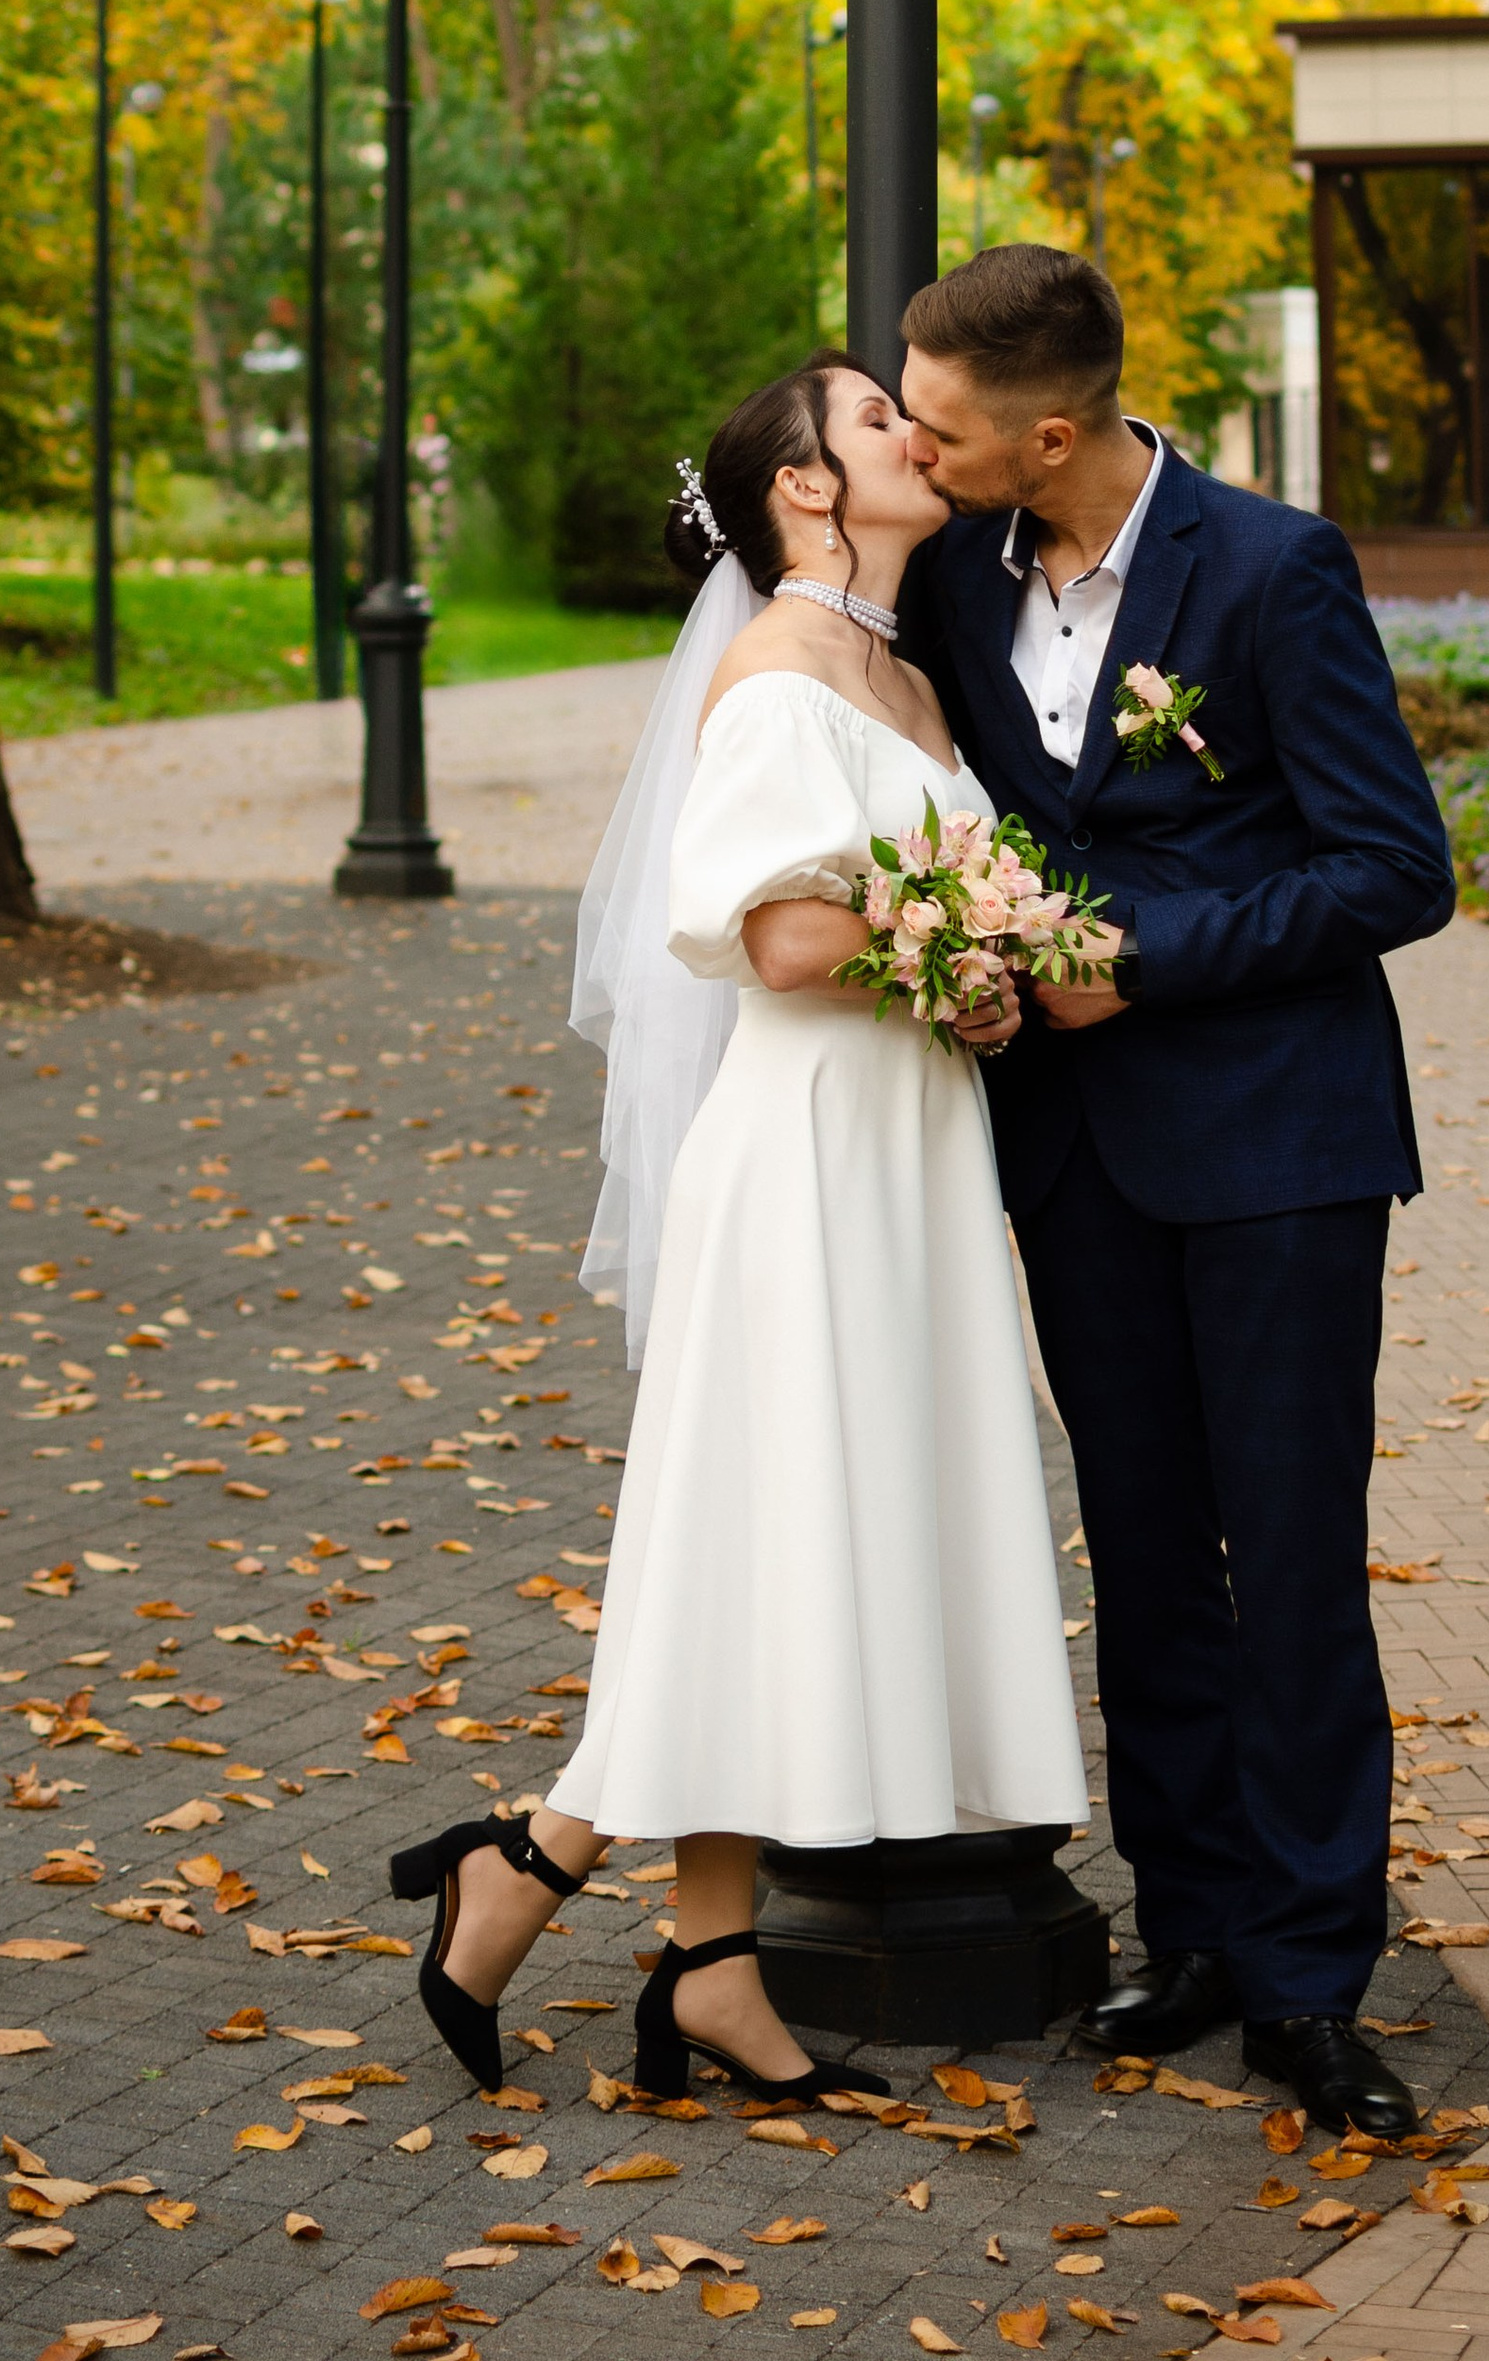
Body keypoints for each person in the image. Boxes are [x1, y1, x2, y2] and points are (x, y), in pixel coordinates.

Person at [389, 351, 1087, 2105]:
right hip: (806, 1161)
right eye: (873, 421)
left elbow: (907, 907)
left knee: (765, 1552)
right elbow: (780, 943)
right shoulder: (780, 676)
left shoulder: (910, 672)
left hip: (904, 1144)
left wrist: (983, 980)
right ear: (801, 486)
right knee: (750, 1543)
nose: (909, 437)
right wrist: (960, 957)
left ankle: (689, 1950)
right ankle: (540, 1871)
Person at [894, 245, 1455, 2141]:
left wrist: (1142, 950)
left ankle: (1313, 1981)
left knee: (1288, 1561)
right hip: (1078, 1151)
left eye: (942, 421)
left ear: (1049, 433)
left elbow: (1396, 870)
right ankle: (1198, 1927)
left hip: (1282, 1142)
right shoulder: (954, 583)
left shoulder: (1277, 568)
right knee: (1145, 1555)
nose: (916, 438)